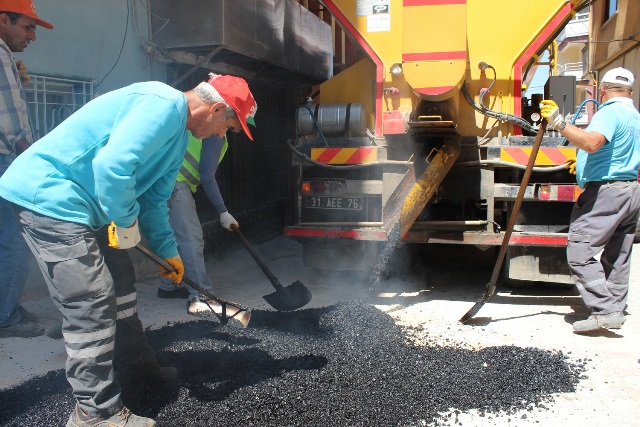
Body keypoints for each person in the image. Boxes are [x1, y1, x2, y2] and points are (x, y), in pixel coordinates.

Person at [0, 73, 257, 426]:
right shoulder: (161, 104)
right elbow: (113, 166)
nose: (221, 135)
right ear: (215, 109)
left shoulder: (178, 139)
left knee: (121, 286)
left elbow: (155, 199)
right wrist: (124, 223)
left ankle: (137, 368)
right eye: (228, 126)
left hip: (86, 208)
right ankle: (95, 413)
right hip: (50, 199)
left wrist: (169, 253)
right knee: (90, 301)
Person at [541, 67, 640, 334]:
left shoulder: (609, 112)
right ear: (629, 91)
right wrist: (585, 163)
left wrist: (558, 122)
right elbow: (615, 150)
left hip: (607, 193)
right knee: (619, 254)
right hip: (630, 190)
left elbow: (593, 143)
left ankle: (605, 311)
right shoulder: (634, 114)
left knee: (580, 251)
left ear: (603, 90)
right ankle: (615, 308)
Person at [0, 0, 52, 338]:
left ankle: (8, 308)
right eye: (27, 26)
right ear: (3, 19)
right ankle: (6, 318)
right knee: (15, 242)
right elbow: (10, 121)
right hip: (6, 162)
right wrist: (33, 161)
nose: (33, 35)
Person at [156, 130, 247, 314]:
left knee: (170, 236)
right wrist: (223, 211)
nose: (239, 129)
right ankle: (201, 295)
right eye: (240, 123)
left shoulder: (200, 125)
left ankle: (169, 285)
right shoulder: (216, 133)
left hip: (161, 179)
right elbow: (207, 176)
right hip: (174, 182)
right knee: (191, 239)